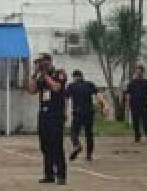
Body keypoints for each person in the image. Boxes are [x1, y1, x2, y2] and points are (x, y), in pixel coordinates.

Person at [27, 54, 67, 184]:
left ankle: (61, 175)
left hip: (55, 115)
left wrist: (45, 75)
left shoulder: (59, 73)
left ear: (49, 62)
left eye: (42, 62)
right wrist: (34, 75)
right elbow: (31, 90)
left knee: (57, 145)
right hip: (44, 115)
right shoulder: (40, 77)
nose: (40, 65)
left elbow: (56, 87)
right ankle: (49, 174)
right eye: (38, 63)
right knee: (45, 145)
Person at [66, 70, 105, 162]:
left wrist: (65, 111)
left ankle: (77, 145)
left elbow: (66, 99)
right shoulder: (89, 84)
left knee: (74, 132)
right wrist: (104, 104)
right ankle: (89, 155)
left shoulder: (71, 86)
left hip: (78, 112)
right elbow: (98, 95)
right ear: (82, 76)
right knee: (89, 134)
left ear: (74, 77)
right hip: (89, 112)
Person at [124, 66, 147, 142]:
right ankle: (137, 137)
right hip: (133, 105)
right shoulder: (131, 83)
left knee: (146, 121)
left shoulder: (146, 82)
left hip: (143, 104)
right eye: (137, 73)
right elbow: (128, 94)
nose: (138, 74)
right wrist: (127, 105)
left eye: (139, 73)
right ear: (135, 73)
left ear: (142, 73)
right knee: (135, 122)